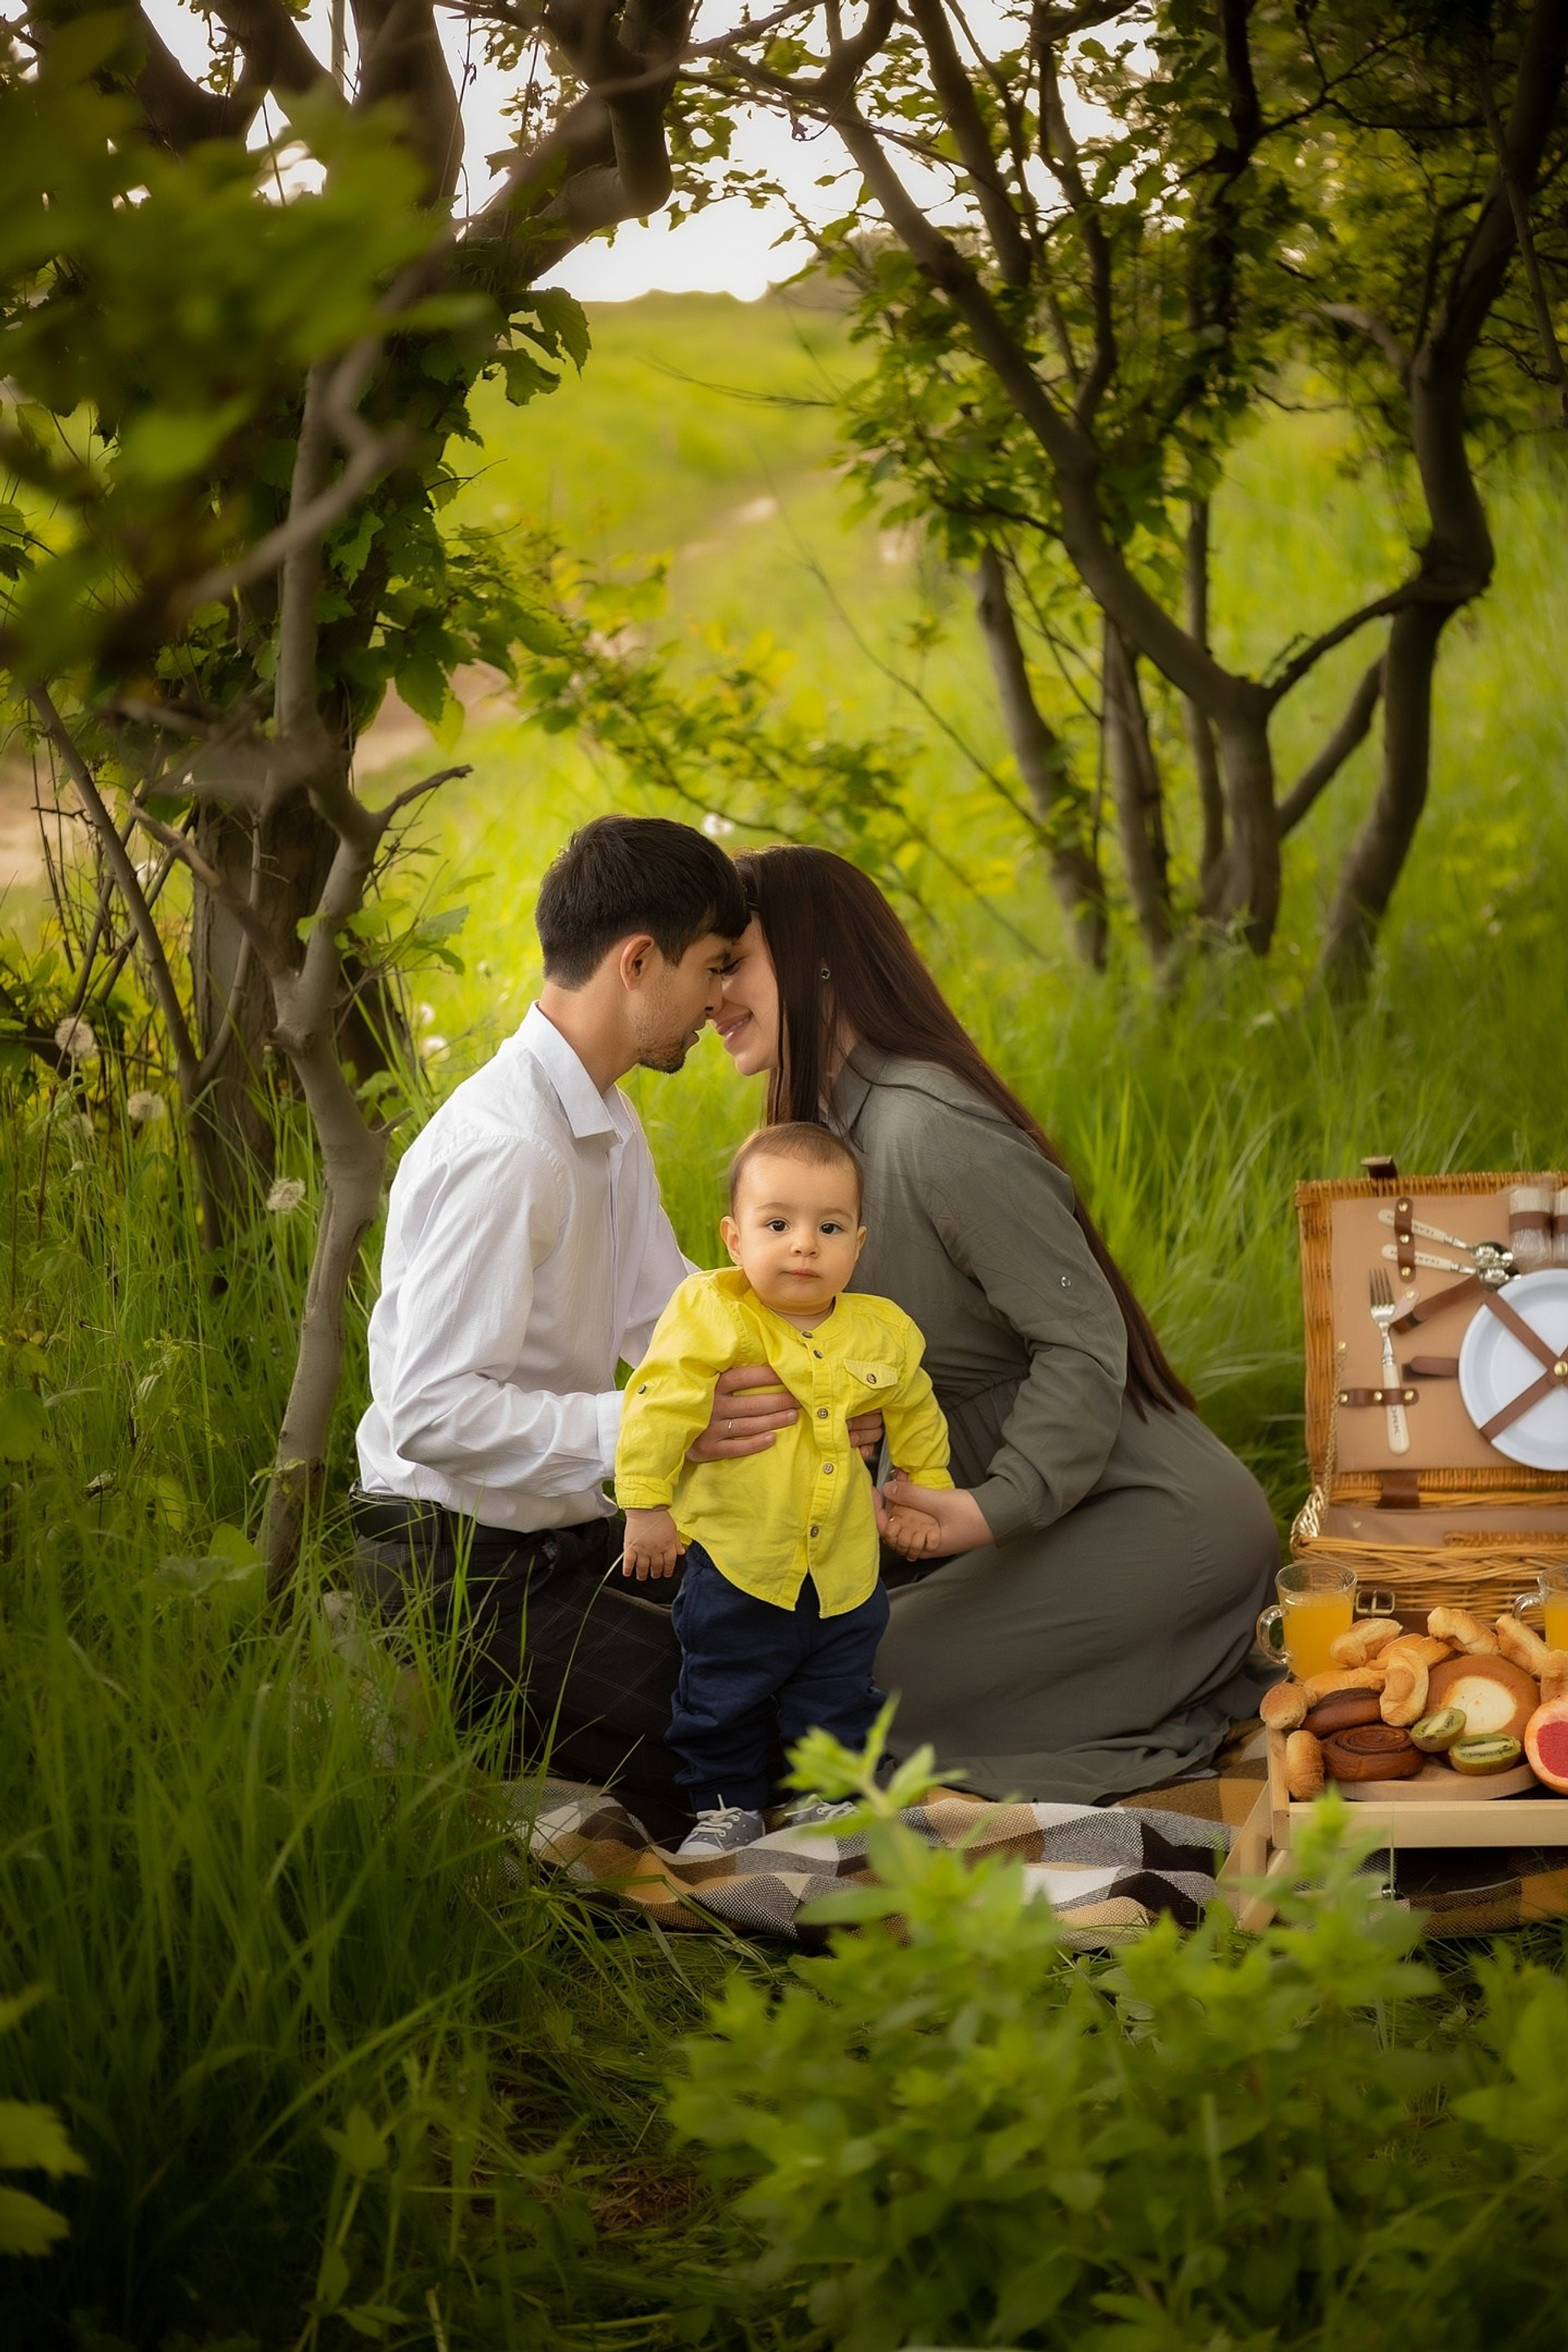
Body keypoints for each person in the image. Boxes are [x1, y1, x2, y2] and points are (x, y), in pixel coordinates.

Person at [714, 844, 1280, 1806]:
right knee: (783, 1669)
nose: (714, 992)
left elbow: (1081, 1340)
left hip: (1142, 1515)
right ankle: (1149, 1685)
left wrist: (991, 1506)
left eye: (735, 962)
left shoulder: (930, 1125)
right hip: (1019, 1530)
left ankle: (1183, 1696)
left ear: (813, 957)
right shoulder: (829, 1137)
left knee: (841, 1696)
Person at [350, 815, 802, 1814]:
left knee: (814, 1670)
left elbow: (663, 1313)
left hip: (577, 1534)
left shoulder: (601, 1115)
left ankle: (554, 1731)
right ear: (639, 961)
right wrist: (645, 1425)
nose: (724, 998)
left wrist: (812, 1373)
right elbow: (428, 1412)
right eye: (715, 966)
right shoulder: (510, 1149)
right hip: (457, 1575)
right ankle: (473, 1732)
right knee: (758, 1758)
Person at [614, 1122, 952, 1856]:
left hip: (842, 1567)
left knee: (839, 1691)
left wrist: (924, 1492)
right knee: (720, 1689)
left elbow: (915, 1409)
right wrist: (646, 1505)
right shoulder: (717, 1313)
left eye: (828, 1227)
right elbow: (658, 1402)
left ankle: (823, 1800)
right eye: (779, 1224)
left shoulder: (882, 1330)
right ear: (735, 1240)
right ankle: (723, 1808)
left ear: (857, 1246)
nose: (804, 1244)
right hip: (741, 1561)